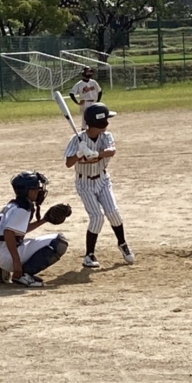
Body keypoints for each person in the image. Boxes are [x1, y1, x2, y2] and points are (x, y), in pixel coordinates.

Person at [64, 103, 135, 268]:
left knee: (113, 213)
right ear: (100, 122)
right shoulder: (77, 139)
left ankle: (122, 243)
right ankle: (89, 255)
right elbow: (68, 163)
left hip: (102, 180)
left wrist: (96, 154)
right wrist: (79, 153)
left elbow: (111, 151)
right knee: (97, 218)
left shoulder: (106, 136)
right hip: (84, 183)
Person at [0, 171, 69, 288]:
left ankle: (2, 269)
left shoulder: (14, 204)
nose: (39, 191)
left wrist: (44, 220)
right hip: (5, 255)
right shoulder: (23, 208)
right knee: (59, 242)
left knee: (26, 242)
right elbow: (8, 233)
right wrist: (16, 262)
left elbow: (18, 230)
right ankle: (22, 275)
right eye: (36, 188)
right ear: (29, 191)